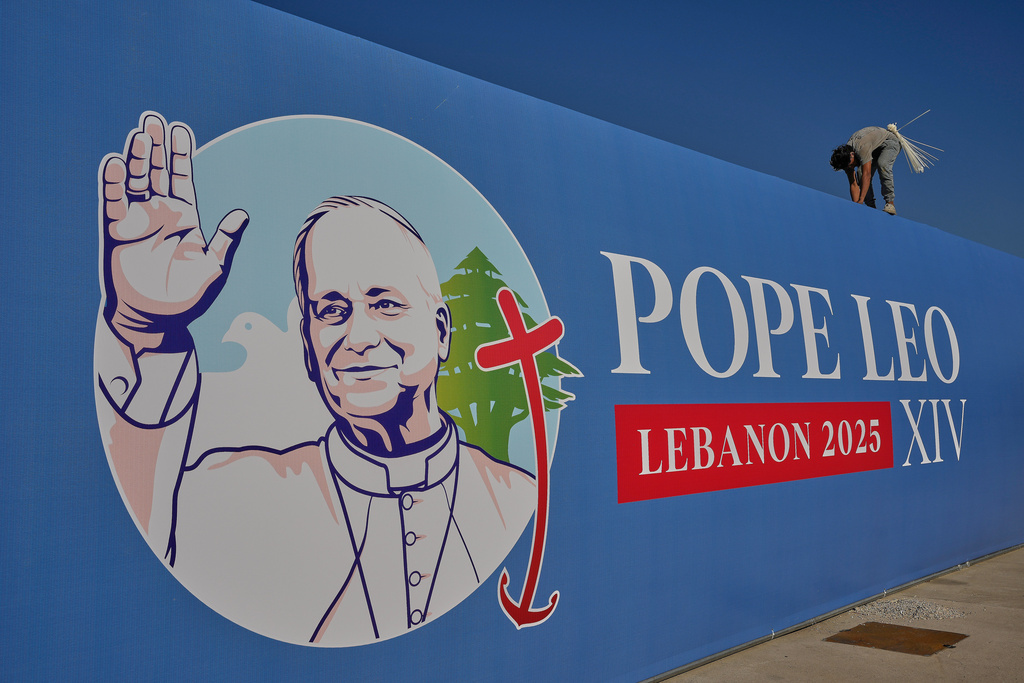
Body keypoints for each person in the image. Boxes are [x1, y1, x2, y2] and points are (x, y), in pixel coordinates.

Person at [96, 112, 536, 646]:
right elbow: (133, 536)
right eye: (330, 311)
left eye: (385, 304)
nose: (358, 335)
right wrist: (145, 328)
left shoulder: (518, 500)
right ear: (308, 346)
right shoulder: (230, 494)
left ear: (441, 331)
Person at [829, 126, 902, 215]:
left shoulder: (861, 147)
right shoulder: (846, 160)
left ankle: (890, 203)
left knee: (882, 164)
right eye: (849, 167)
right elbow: (853, 183)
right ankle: (871, 208)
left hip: (889, 142)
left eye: (851, 164)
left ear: (852, 155)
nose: (852, 167)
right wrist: (857, 205)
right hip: (873, 147)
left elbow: (867, 174)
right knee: (860, 172)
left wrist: (861, 199)